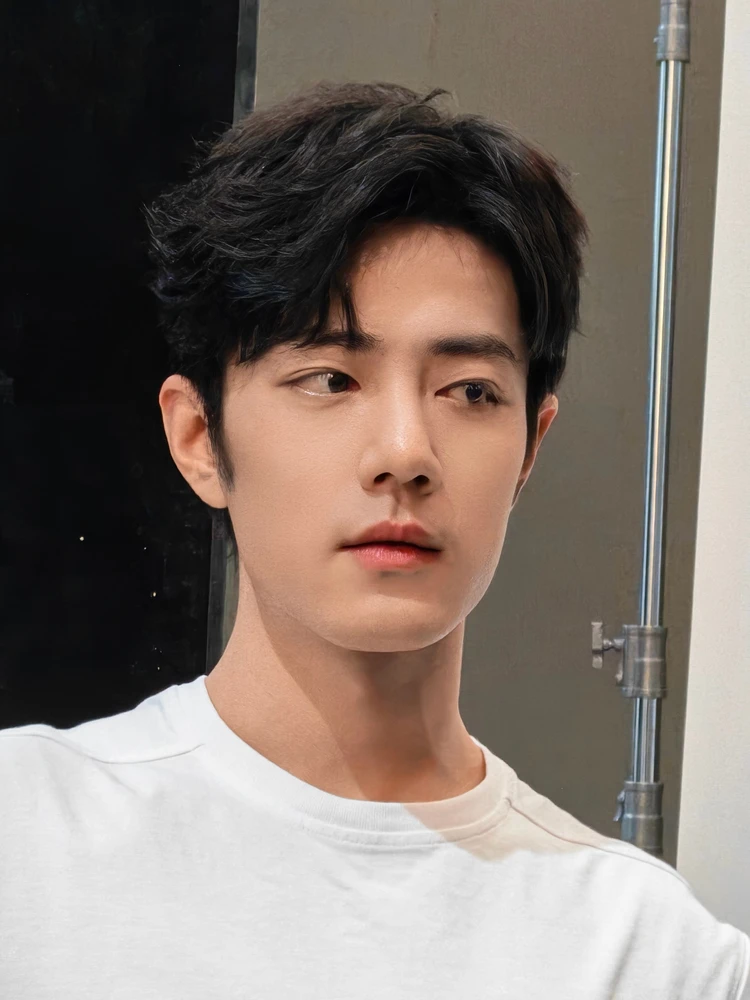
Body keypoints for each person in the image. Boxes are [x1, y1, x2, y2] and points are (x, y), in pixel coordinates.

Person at [1, 80, 747, 999]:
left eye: (470, 391)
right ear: (199, 438)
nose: (405, 453)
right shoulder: (26, 842)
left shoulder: (649, 955)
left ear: (530, 447)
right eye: (330, 378)